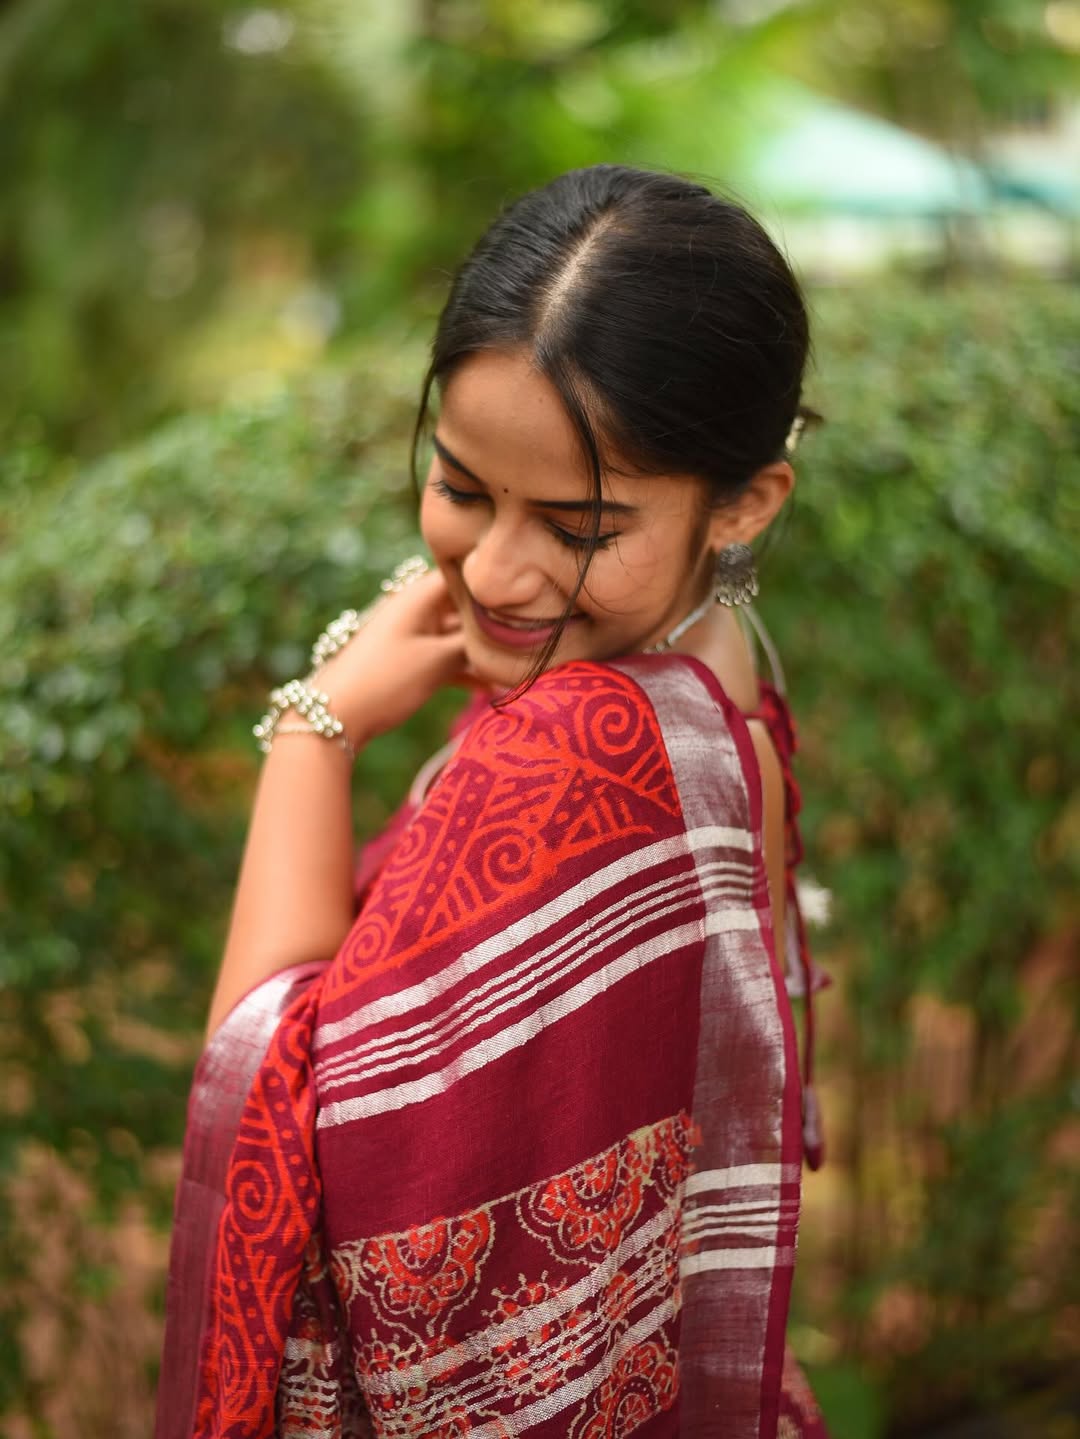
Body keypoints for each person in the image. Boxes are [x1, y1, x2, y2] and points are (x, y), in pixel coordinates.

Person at [156, 164, 828, 1438]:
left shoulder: (587, 747)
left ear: (745, 500)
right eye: (463, 489)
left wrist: (314, 729)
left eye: (577, 526)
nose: (497, 570)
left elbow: (269, 1084)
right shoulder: (715, 678)